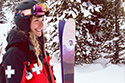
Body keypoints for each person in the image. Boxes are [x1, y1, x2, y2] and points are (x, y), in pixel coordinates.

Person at [1, 0, 56, 83]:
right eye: (37, 21)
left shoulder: (38, 49)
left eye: (42, 20)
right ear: (25, 24)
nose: (42, 25)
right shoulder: (15, 54)